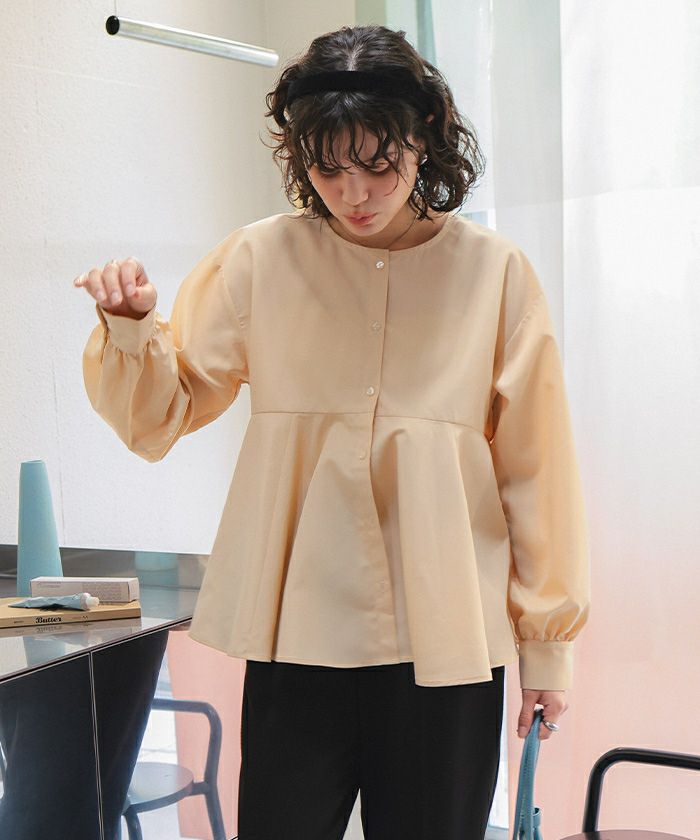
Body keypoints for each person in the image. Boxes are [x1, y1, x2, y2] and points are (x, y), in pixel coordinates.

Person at [74, 23, 590, 840]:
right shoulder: (258, 260)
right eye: (328, 168)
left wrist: (547, 647)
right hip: (298, 638)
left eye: (378, 165)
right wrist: (133, 327)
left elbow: (537, 471)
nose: (355, 193)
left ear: (424, 138)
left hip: (447, 640)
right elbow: (160, 418)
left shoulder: (495, 274)